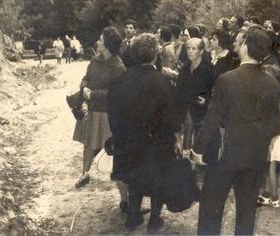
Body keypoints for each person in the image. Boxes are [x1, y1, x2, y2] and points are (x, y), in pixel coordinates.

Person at [192, 26, 280, 235]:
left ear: (246, 47)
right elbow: (274, 125)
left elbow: (212, 119)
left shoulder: (227, 79)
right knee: (247, 210)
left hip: (226, 154)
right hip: (254, 156)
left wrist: (198, 149)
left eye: (241, 42)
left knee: (211, 207)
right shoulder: (272, 83)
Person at [107, 33, 180, 231]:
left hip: (128, 141)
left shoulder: (119, 82)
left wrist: (119, 136)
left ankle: (133, 216)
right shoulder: (162, 82)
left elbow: (112, 114)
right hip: (157, 142)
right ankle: (154, 219)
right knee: (158, 180)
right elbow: (171, 117)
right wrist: (173, 136)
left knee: (134, 179)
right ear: (154, 55)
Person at [73, 27, 126, 191]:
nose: (98, 42)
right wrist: (84, 86)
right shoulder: (94, 60)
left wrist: (93, 94)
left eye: (101, 40)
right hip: (90, 109)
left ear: (109, 45)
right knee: (88, 143)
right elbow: (86, 78)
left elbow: (115, 94)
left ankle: (124, 195)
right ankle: (85, 173)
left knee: (113, 150)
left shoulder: (119, 67)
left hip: (107, 113)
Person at [175, 37, 216, 154]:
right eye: (188, 48)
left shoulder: (208, 69)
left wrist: (207, 100)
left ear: (201, 51)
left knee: (199, 142)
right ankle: (186, 158)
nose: (190, 51)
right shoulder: (185, 68)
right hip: (185, 109)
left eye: (194, 49)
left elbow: (215, 90)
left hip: (201, 111)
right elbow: (178, 91)